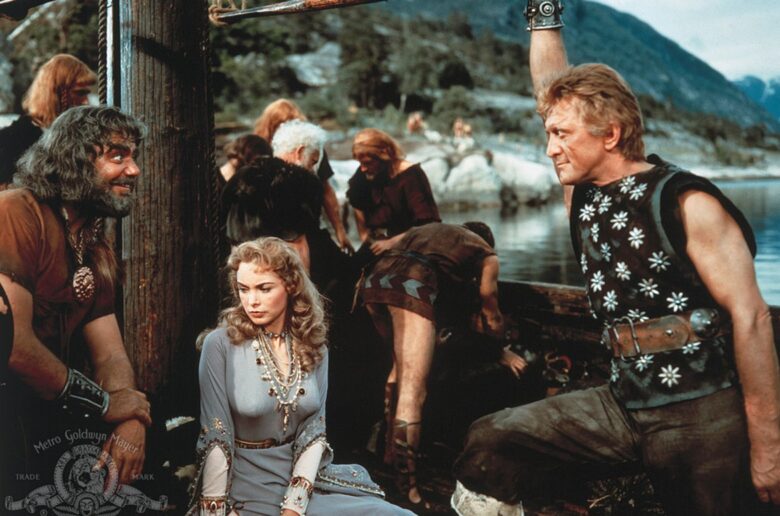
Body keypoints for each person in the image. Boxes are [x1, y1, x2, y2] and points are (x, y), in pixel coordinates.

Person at [452, 3, 780, 515]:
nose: (550, 148)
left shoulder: (686, 202)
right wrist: (543, 14)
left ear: (610, 135)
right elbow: (548, 91)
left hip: (701, 409)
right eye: (550, 134)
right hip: (622, 401)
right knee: (492, 440)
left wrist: (769, 444)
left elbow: (753, 318)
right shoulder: (586, 197)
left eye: (562, 135)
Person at [189, 238, 413, 515]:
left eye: (264, 288)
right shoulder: (220, 344)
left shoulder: (313, 346)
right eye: (243, 289)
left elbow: (314, 431)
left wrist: (294, 507)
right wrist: (216, 510)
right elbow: (215, 436)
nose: (252, 301)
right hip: (243, 483)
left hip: (304, 480)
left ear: (291, 286)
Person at [0, 106, 151, 493]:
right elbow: (13, 344)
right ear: (75, 158)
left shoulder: (95, 246)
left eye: (133, 157)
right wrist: (105, 404)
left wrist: (130, 419)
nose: (134, 170)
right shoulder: (15, 212)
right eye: (118, 155)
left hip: (41, 425)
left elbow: (110, 355)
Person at [359, 222, 527, 509]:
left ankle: (387, 454)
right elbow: (490, 308)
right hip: (412, 283)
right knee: (413, 392)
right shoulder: (487, 254)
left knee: (398, 368)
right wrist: (499, 346)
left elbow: (392, 242)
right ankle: (408, 492)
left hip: (374, 281)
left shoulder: (435, 232)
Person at [254, 99, 352, 252]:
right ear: (269, 126)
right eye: (280, 124)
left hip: (307, 226)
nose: (286, 128)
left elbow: (326, 190)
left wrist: (340, 231)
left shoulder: (312, 149)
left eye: (291, 123)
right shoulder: (258, 149)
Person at [0, 54, 96, 188]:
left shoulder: (82, 137)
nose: (86, 102)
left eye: (87, 94)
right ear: (56, 93)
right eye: (80, 93)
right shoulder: (10, 141)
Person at [346, 128, 441, 260]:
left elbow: (428, 226)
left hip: (413, 243)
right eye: (360, 163)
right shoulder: (366, 171)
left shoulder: (411, 175)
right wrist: (365, 237)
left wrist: (392, 242)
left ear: (383, 156)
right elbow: (356, 200)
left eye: (367, 163)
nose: (363, 168)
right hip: (379, 243)